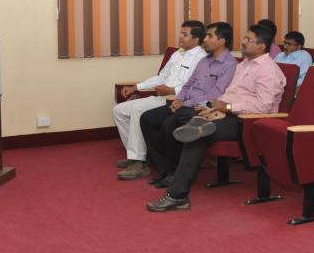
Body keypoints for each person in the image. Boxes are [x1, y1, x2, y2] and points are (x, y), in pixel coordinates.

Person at [147, 25, 285, 212]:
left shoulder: (268, 70)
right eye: (244, 38)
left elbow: (264, 106)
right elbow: (229, 94)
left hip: (249, 122)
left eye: (248, 39)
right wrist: (213, 108)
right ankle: (197, 123)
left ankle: (177, 196)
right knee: (186, 115)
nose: (243, 42)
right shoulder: (244, 65)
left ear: (261, 46)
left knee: (197, 134)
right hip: (226, 115)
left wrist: (226, 108)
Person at [140, 23, 237, 188]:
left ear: (222, 41)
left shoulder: (229, 64)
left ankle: (173, 173)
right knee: (147, 119)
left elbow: (217, 93)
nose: (205, 39)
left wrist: (185, 103)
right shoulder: (204, 61)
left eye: (209, 36)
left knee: (168, 125)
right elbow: (188, 84)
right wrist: (179, 100)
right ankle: (165, 169)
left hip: (202, 108)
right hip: (185, 104)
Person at [113, 21, 207, 180]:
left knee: (138, 110)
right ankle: (140, 154)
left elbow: (197, 87)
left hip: (176, 100)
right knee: (119, 111)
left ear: (196, 39)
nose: (180, 37)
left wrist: (171, 91)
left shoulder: (201, 59)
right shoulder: (178, 54)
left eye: (185, 34)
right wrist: (136, 87)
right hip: (161, 96)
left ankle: (139, 162)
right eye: (180, 33)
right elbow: (161, 77)